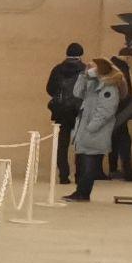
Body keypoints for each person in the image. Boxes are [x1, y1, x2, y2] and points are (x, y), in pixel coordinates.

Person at [66, 58, 126, 201]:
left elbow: (105, 111)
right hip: (85, 131)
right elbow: (77, 93)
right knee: (81, 163)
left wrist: (91, 127)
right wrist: (83, 76)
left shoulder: (109, 88)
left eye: (95, 67)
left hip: (95, 133)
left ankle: (83, 193)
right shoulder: (94, 84)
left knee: (89, 165)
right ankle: (79, 191)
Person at [45, 43, 87, 183]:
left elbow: (50, 89)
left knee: (61, 144)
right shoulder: (85, 70)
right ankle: (79, 175)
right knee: (80, 144)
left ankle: (63, 175)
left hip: (61, 111)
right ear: (81, 54)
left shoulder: (58, 69)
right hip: (79, 110)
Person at [107, 55, 132, 181]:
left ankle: (113, 169)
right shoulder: (122, 68)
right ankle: (127, 171)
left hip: (112, 110)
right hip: (120, 110)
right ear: (128, 57)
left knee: (113, 141)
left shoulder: (112, 66)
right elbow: (126, 92)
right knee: (124, 141)